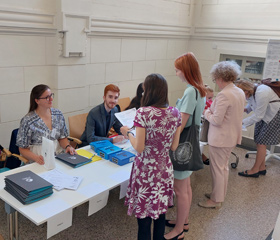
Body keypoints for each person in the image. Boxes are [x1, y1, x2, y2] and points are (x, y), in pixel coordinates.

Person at [120, 74, 181, 240]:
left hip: (146, 172)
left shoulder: (144, 113)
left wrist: (128, 133)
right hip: (164, 169)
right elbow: (174, 146)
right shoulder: (175, 112)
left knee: (144, 220)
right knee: (160, 213)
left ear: (149, 91)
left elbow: (139, 147)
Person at [164, 52, 206, 240]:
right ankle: (185, 221)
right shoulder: (199, 89)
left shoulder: (190, 91)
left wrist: (166, 142)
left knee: (180, 190)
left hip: (182, 146)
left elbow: (180, 123)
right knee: (186, 186)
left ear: (186, 70)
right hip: (191, 143)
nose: (176, 73)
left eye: (177, 70)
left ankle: (179, 230)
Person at [198, 61, 245, 209]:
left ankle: (215, 200)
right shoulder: (239, 91)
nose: (216, 82)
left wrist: (206, 112)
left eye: (215, 79)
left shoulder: (224, 95)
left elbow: (217, 120)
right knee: (223, 168)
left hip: (220, 138)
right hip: (231, 137)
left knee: (217, 169)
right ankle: (218, 195)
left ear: (219, 78)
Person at [16, 84, 75, 165]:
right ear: (37, 101)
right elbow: (23, 149)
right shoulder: (28, 121)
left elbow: (62, 138)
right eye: (47, 97)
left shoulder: (58, 114)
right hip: (38, 160)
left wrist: (68, 147)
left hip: (58, 157)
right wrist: (36, 158)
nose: (51, 99)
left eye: (51, 95)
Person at [235, 79, 280, 177]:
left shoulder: (262, 92)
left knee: (261, 143)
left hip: (273, 115)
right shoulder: (253, 91)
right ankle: (262, 167)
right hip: (264, 115)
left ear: (246, 91)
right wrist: (246, 109)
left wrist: (242, 122)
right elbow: (253, 102)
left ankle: (255, 170)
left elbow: (259, 115)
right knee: (258, 141)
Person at [202, 84, 214, 165]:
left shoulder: (211, 103)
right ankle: (201, 156)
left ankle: (201, 155)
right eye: (209, 98)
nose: (211, 100)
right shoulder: (200, 103)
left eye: (212, 98)